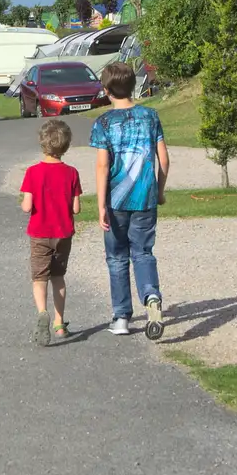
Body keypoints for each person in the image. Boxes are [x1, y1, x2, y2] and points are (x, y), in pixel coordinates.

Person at [89, 60, 168, 336]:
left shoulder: (104, 123)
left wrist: (100, 205)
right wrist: (159, 190)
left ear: (107, 90)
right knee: (143, 252)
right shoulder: (150, 116)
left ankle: (121, 317)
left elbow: (102, 165)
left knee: (117, 257)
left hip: (116, 201)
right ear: (133, 85)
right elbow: (164, 159)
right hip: (145, 197)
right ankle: (151, 296)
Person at [19, 118, 82, 345]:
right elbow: (76, 207)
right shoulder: (72, 173)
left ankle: (41, 313)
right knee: (58, 278)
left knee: (39, 277)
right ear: (65, 146)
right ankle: (58, 322)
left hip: (39, 232)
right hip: (63, 233)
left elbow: (27, 206)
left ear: (42, 143)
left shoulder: (33, 173)